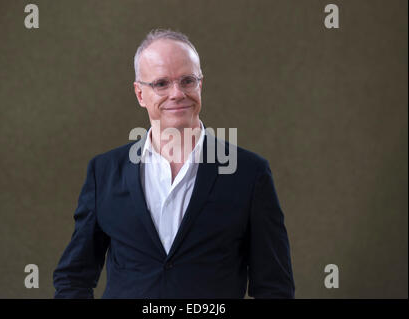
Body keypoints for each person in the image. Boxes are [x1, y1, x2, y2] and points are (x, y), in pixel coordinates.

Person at [53, 29, 295, 298]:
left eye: (187, 80)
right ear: (140, 94)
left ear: (200, 85)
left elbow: (275, 287)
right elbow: (73, 276)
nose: (177, 93)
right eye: (161, 84)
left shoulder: (249, 174)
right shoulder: (105, 172)